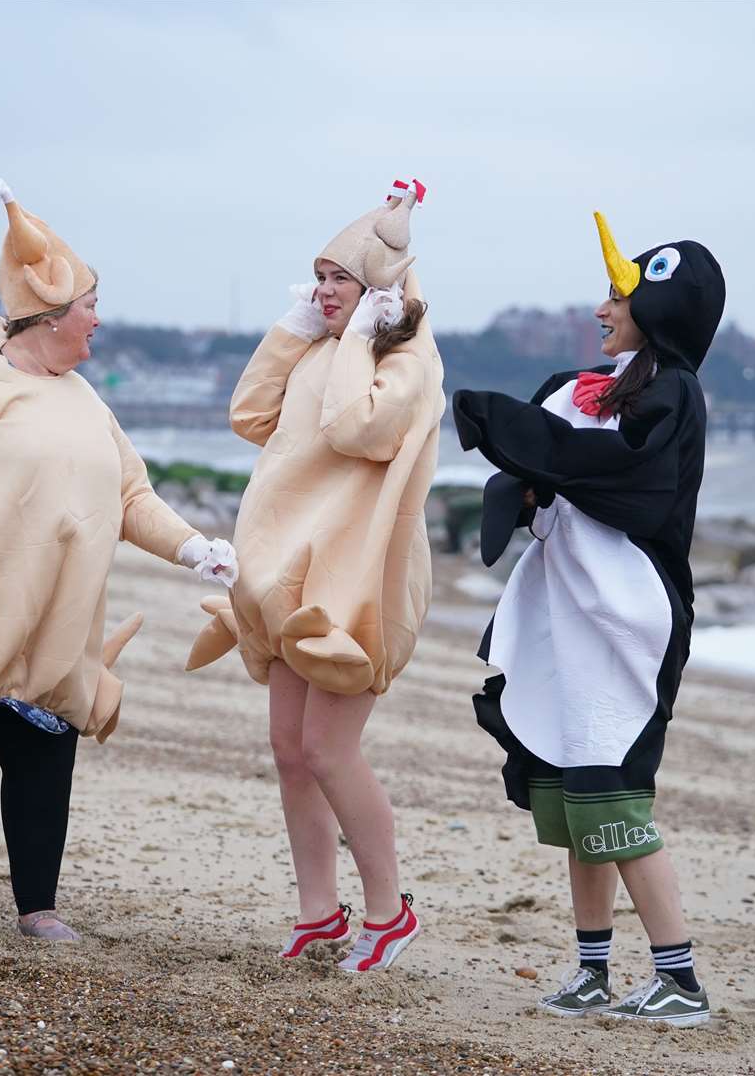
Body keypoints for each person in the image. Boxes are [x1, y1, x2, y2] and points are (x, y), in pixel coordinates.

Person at [0, 180, 237, 941]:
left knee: (43, 759)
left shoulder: (86, 399)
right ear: (51, 318)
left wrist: (194, 547)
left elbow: (131, 496)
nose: (98, 320)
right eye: (90, 305)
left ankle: (38, 908)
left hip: (56, 625)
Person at [451, 211, 725, 1024]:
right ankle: (592, 969)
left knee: (613, 796)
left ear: (662, 310)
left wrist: (510, 432)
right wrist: (525, 480)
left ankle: (679, 980)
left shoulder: (671, 395)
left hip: (625, 619)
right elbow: (546, 486)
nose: (600, 310)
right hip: (560, 615)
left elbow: (621, 478)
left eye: (618, 296)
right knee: (573, 795)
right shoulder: (573, 390)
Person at [184, 179, 445, 972]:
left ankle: (386, 911)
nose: (320, 290)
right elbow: (250, 417)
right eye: (316, 276)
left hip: (353, 582)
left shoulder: (409, 359)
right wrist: (294, 332)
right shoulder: (324, 349)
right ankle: (316, 913)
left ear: (378, 291)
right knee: (291, 751)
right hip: (284, 578)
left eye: (336, 279)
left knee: (331, 751)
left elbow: (355, 427)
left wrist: (364, 337)